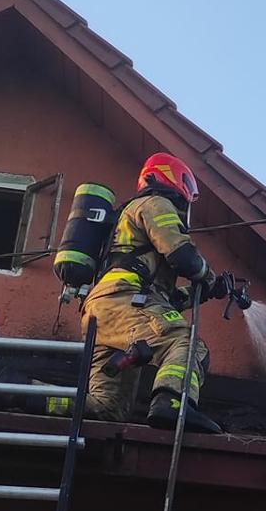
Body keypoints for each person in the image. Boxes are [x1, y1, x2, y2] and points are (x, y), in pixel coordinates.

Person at [80, 152, 237, 432]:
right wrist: (209, 276)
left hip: (105, 312)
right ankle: (173, 402)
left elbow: (164, 300)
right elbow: (182, 256)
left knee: (107, 408)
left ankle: (22, 392)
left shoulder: (130, 220)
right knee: (187, 344)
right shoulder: (155, 203)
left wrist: (207, 291)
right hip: (126, 299)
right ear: (173, 178)